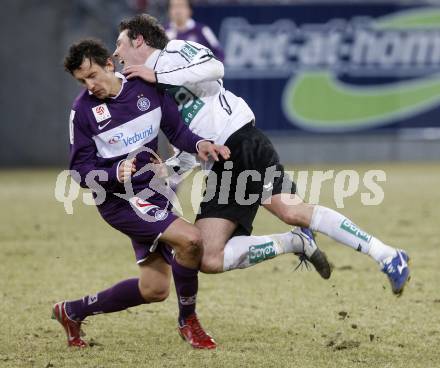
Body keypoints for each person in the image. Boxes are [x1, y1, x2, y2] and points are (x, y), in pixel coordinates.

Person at [113, 14, 410, 296]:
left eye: (120, 44)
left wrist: (158, 74)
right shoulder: (151, 92)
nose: (116, 53)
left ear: (139, 40)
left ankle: (387, 255)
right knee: (209, 257)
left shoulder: (174, 51)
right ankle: (294, 242)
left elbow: (215, 68)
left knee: (292, 211)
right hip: (217, 165)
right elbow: (188, 144)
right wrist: (170, 169)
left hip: (241, 140)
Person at [52, 39, 231, 349]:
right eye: (82, 81)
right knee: (191, 240)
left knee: (154, 289)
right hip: (119, 201)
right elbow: (79, 171)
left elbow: (177, 131)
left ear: (109, 63)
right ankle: (188, 321)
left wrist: (201, 144)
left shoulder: (145, 87)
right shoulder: (82, 111)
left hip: (153, 192)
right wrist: (113, 173)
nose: (89, 85)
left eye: (93, 75)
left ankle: (72, 311)